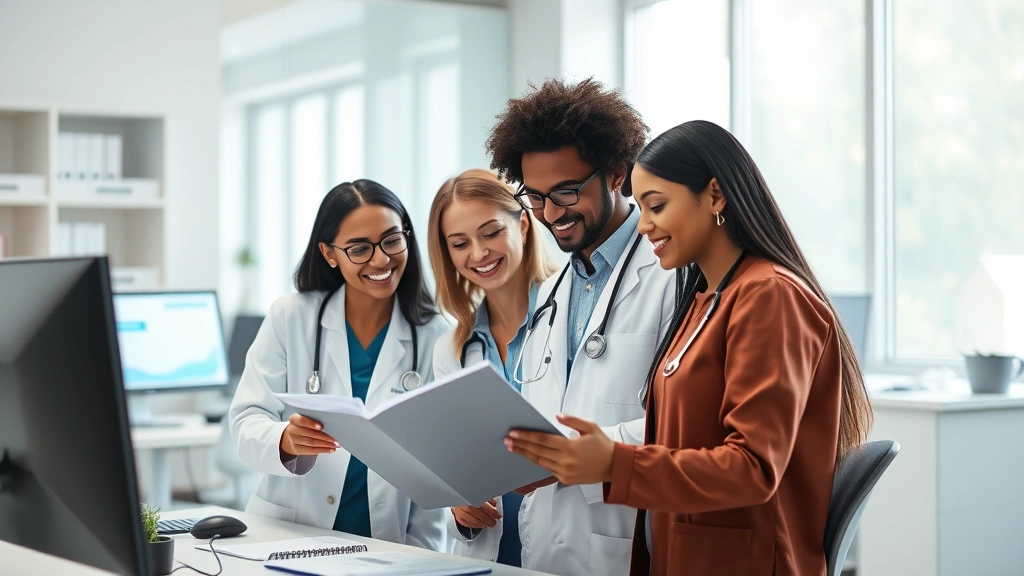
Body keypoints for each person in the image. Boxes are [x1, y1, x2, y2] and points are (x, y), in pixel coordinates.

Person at [506, 120, 875, 576]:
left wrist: (611, 462)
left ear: (716, 196)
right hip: (679, 553)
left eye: (656, 206)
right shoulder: (702, 301)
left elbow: (753, 467)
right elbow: (681, 437)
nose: (643, 226)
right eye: (641, 208)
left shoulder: (770, 296)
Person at [480, 78, 678, 576]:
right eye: (536, 197)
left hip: (631, 538)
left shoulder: (672, 276)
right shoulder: (551, 293)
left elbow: (687, 422)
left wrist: (572, 454)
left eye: (566, 192)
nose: (550, 214)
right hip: (546, 549)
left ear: (616, 172)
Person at [229, 180, 450, 550]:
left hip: (387, 547)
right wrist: (285, 439)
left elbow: (431, 468)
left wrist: (423, 560)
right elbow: (244, 421)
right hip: (291, 535)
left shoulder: (435, 335)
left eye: (392, 240)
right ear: (329, 254)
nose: (381, 260)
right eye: (360, 248)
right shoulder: (291, 318)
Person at [427, 169, 559, 565]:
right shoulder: (452, 350)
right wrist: (459, 511)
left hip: (565, 547)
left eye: (490, 232)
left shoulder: (573, 318)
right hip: (490, 556)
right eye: (459, 243)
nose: (479, 254)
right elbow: (456, 470)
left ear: (522, 223)